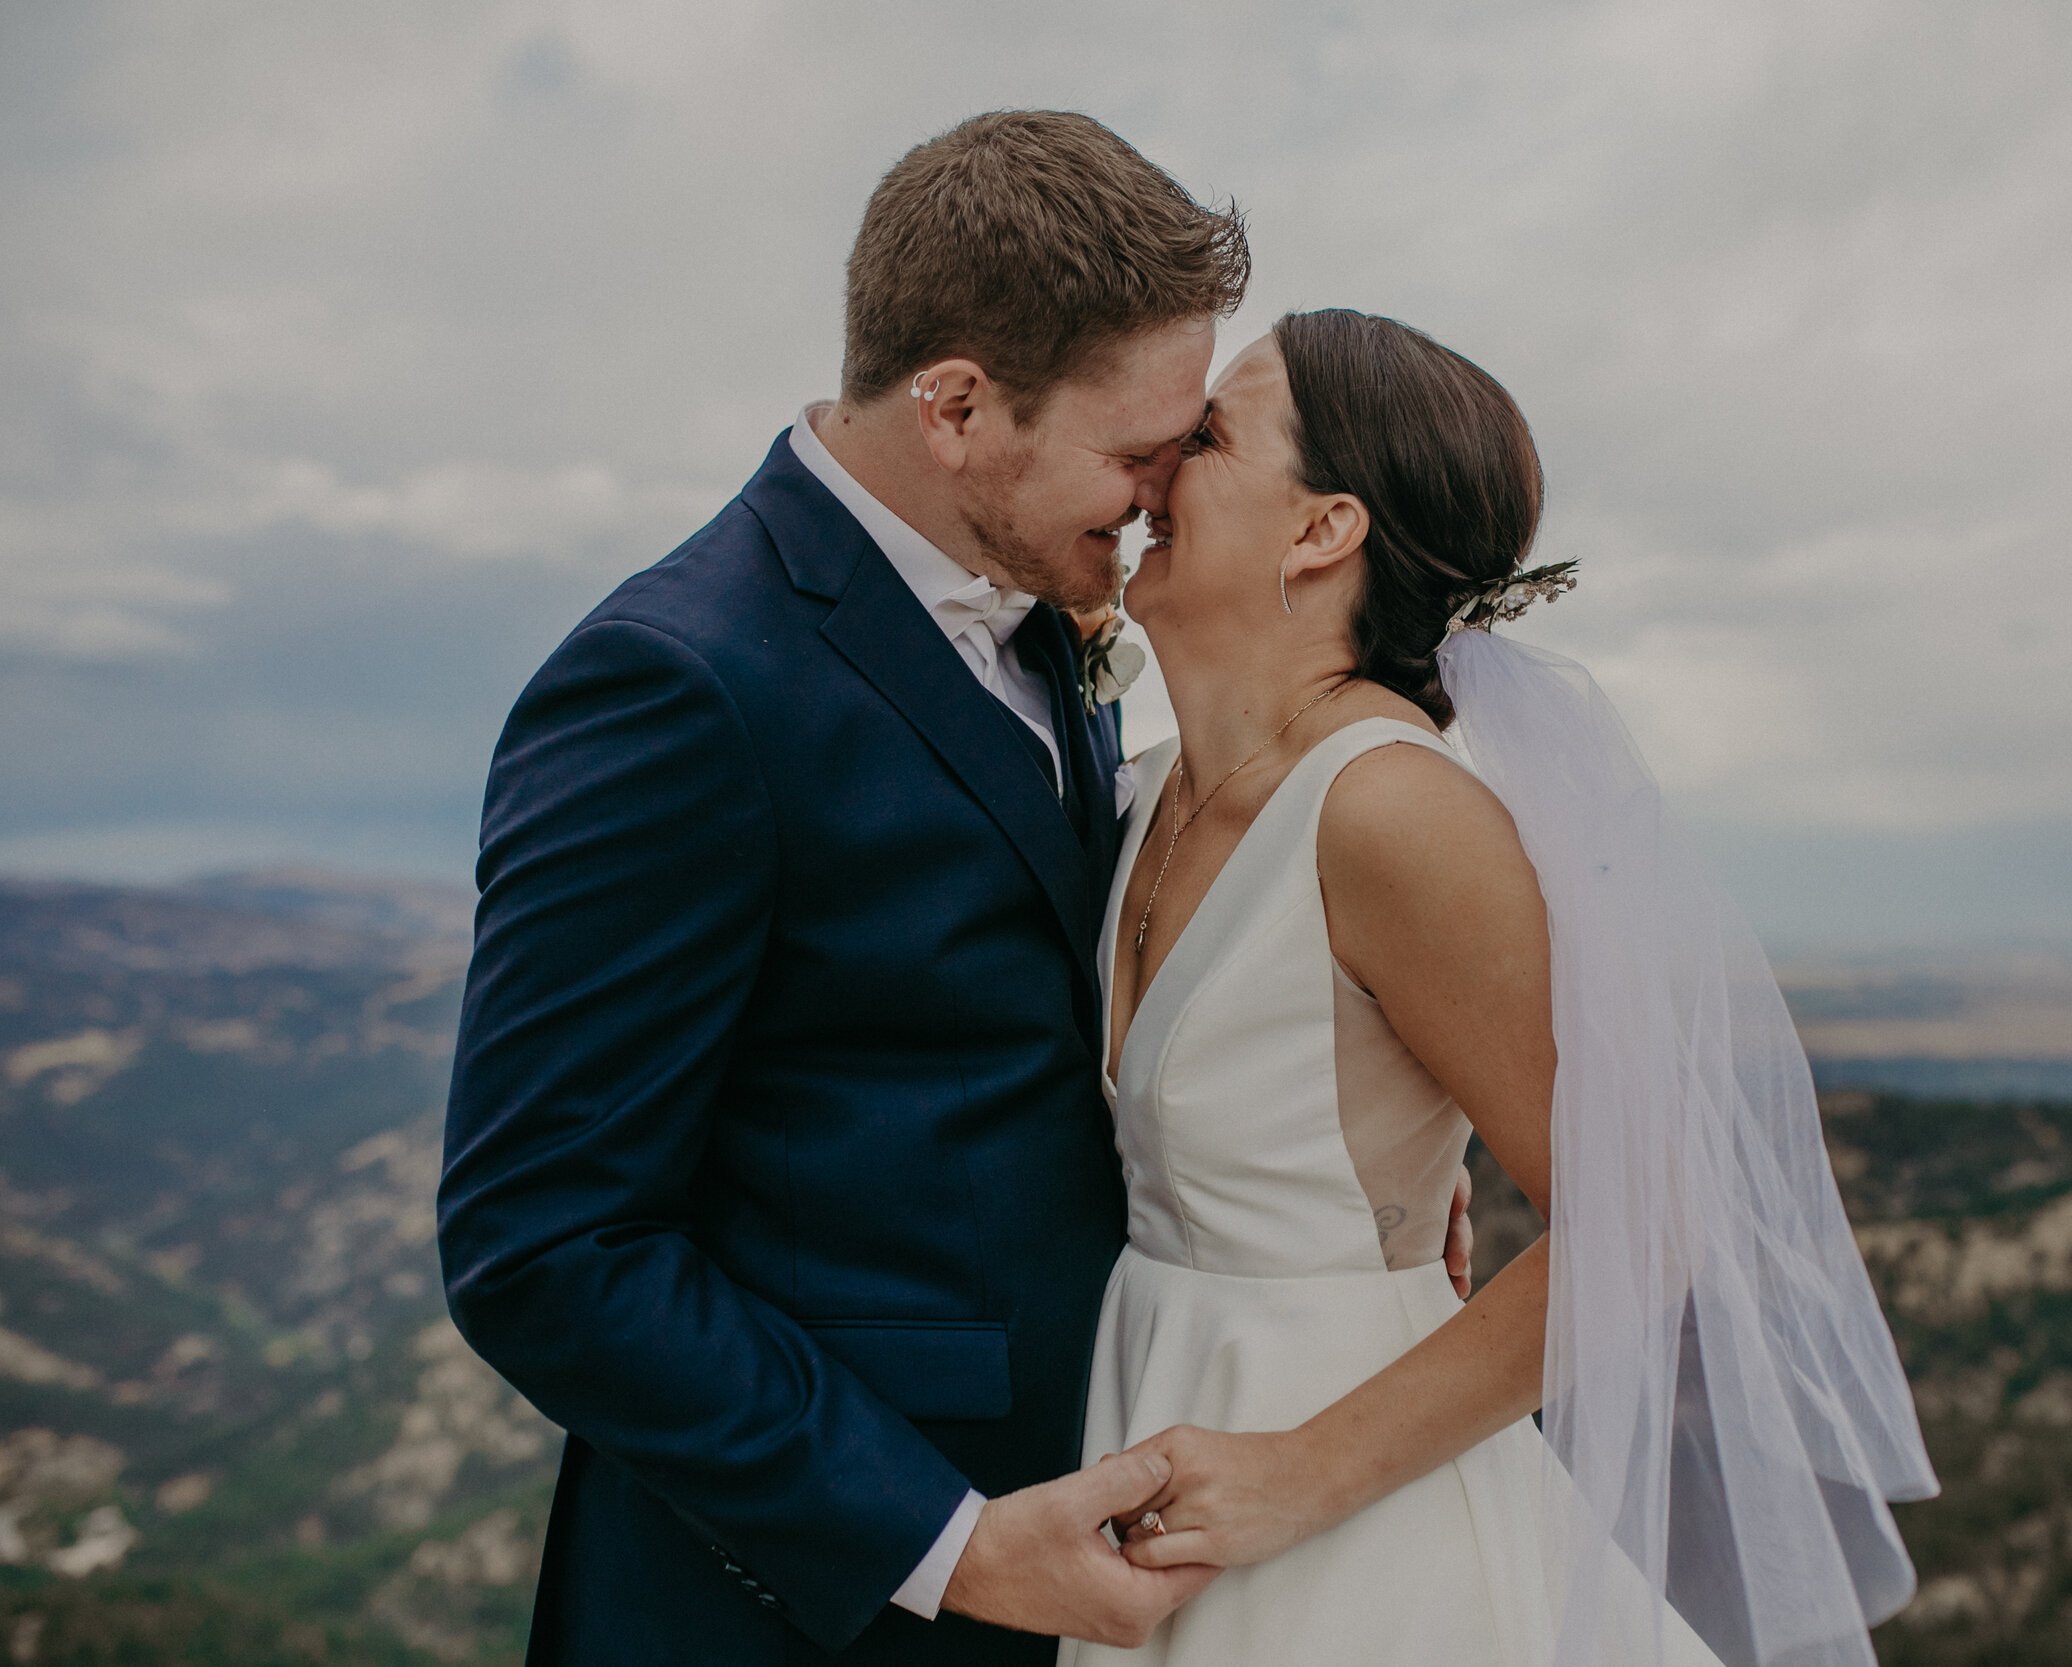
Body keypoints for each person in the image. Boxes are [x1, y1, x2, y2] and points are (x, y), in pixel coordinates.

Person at [435, 116, 1473, 1667]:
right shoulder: (676, 685)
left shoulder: (1042, 609)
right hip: (807, 1600)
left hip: (1099, 1527)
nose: (1154, 500)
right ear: (959, 406)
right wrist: (950, 1544)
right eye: (1134, 456)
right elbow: (541, 1244)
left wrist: (1332, 1180)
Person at [1064, 310, 1937, 1666]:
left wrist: (1298, 1474)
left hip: (1335, 1495)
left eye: (1213, 432)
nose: (1162, 461)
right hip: (1155, 1418)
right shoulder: (1146, 787)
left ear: (1322, 531)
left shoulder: (1391, 812)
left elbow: (1647, 1224)